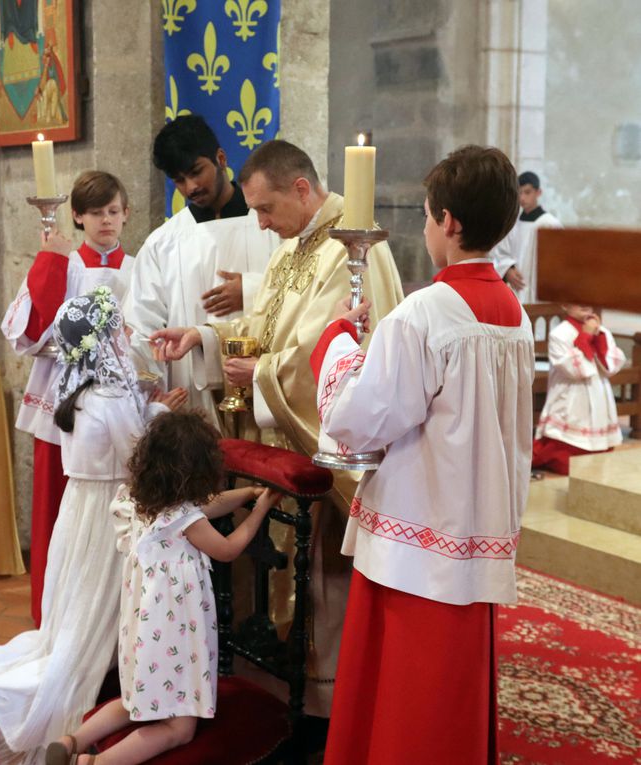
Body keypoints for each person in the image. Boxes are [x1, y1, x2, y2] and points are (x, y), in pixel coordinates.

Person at [150, 139, 404, 715]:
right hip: (277, 433)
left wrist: (262, 371)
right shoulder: (295, 246)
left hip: (317, 441)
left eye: (265, 209)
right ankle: (267, 677)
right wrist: (208, 339)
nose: (260, 225)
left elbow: (331, 348)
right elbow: (266, 323)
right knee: (272, 564)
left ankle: (323, 700)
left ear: (301, 189)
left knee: (320, 572)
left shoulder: (351, 249)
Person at [315, 145, 533, 763]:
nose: (426, 227)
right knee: (448, 697)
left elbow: (359, 420)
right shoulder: (514, 315)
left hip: (418, 540)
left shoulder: (425, 313)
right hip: (477, 528)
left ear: (450, 224)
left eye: (427, 216)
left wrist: (337, 343)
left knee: (405, 701)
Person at [0, 289, 187, 765]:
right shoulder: (110, 396)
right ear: (102, 341)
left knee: (66, 625)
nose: (126, 336)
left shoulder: (75, 390)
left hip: (78, 513)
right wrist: (163, 411)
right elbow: (138, 458)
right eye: (118, 330)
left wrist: (145, 406)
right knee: (83, 635)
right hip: (110, 516)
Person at [46, 411, 282, 765]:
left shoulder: (143, 502)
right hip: (174, 631)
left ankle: (70, 741)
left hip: (144, 626)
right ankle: (94, 763)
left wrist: (246, 492)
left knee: (133, 702)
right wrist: (259, 508)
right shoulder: (186, 520)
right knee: (178, 728)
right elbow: (229, 548)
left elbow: (209, 504)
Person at [1, 170, 135, 627]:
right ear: (76, 216)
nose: (106, 222)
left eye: (113, 211)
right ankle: (56, 621)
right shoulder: (65, 261)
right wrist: (51, 263)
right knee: (58, 518)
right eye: (96, 213)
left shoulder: (138, 269)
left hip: (117, 412)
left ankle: (110, 630)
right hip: (64, 408)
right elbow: (30, 332)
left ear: (126, 214)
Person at [123, 115, 279, 426]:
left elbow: (301, 287)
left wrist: (249, 291)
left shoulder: (270, 223)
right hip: (194, 397)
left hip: (264, 387)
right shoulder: (163, 243)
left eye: (196, 172)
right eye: (179, 180)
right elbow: (141, 326)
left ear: (220, 159)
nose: (191, 187)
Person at [532, 304, 625, 475]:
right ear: (565, 305)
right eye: (576, 300)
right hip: (571, 393)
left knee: (599, 461)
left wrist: (598, 337)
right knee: (565, 456)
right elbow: (575, 370)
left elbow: (611, 366)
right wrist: (586, 336)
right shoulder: (559, 334)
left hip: (598, 390)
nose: (584, 304)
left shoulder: (601, 330)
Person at [513, 170, 562, 303]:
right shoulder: (513, 224)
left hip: (540, 291)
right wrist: (508, 270)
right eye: (519, 192)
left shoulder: (550, 223)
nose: (522, 197)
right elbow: (502, 254)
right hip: (516, 288)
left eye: (527, 192)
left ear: (538, 192)